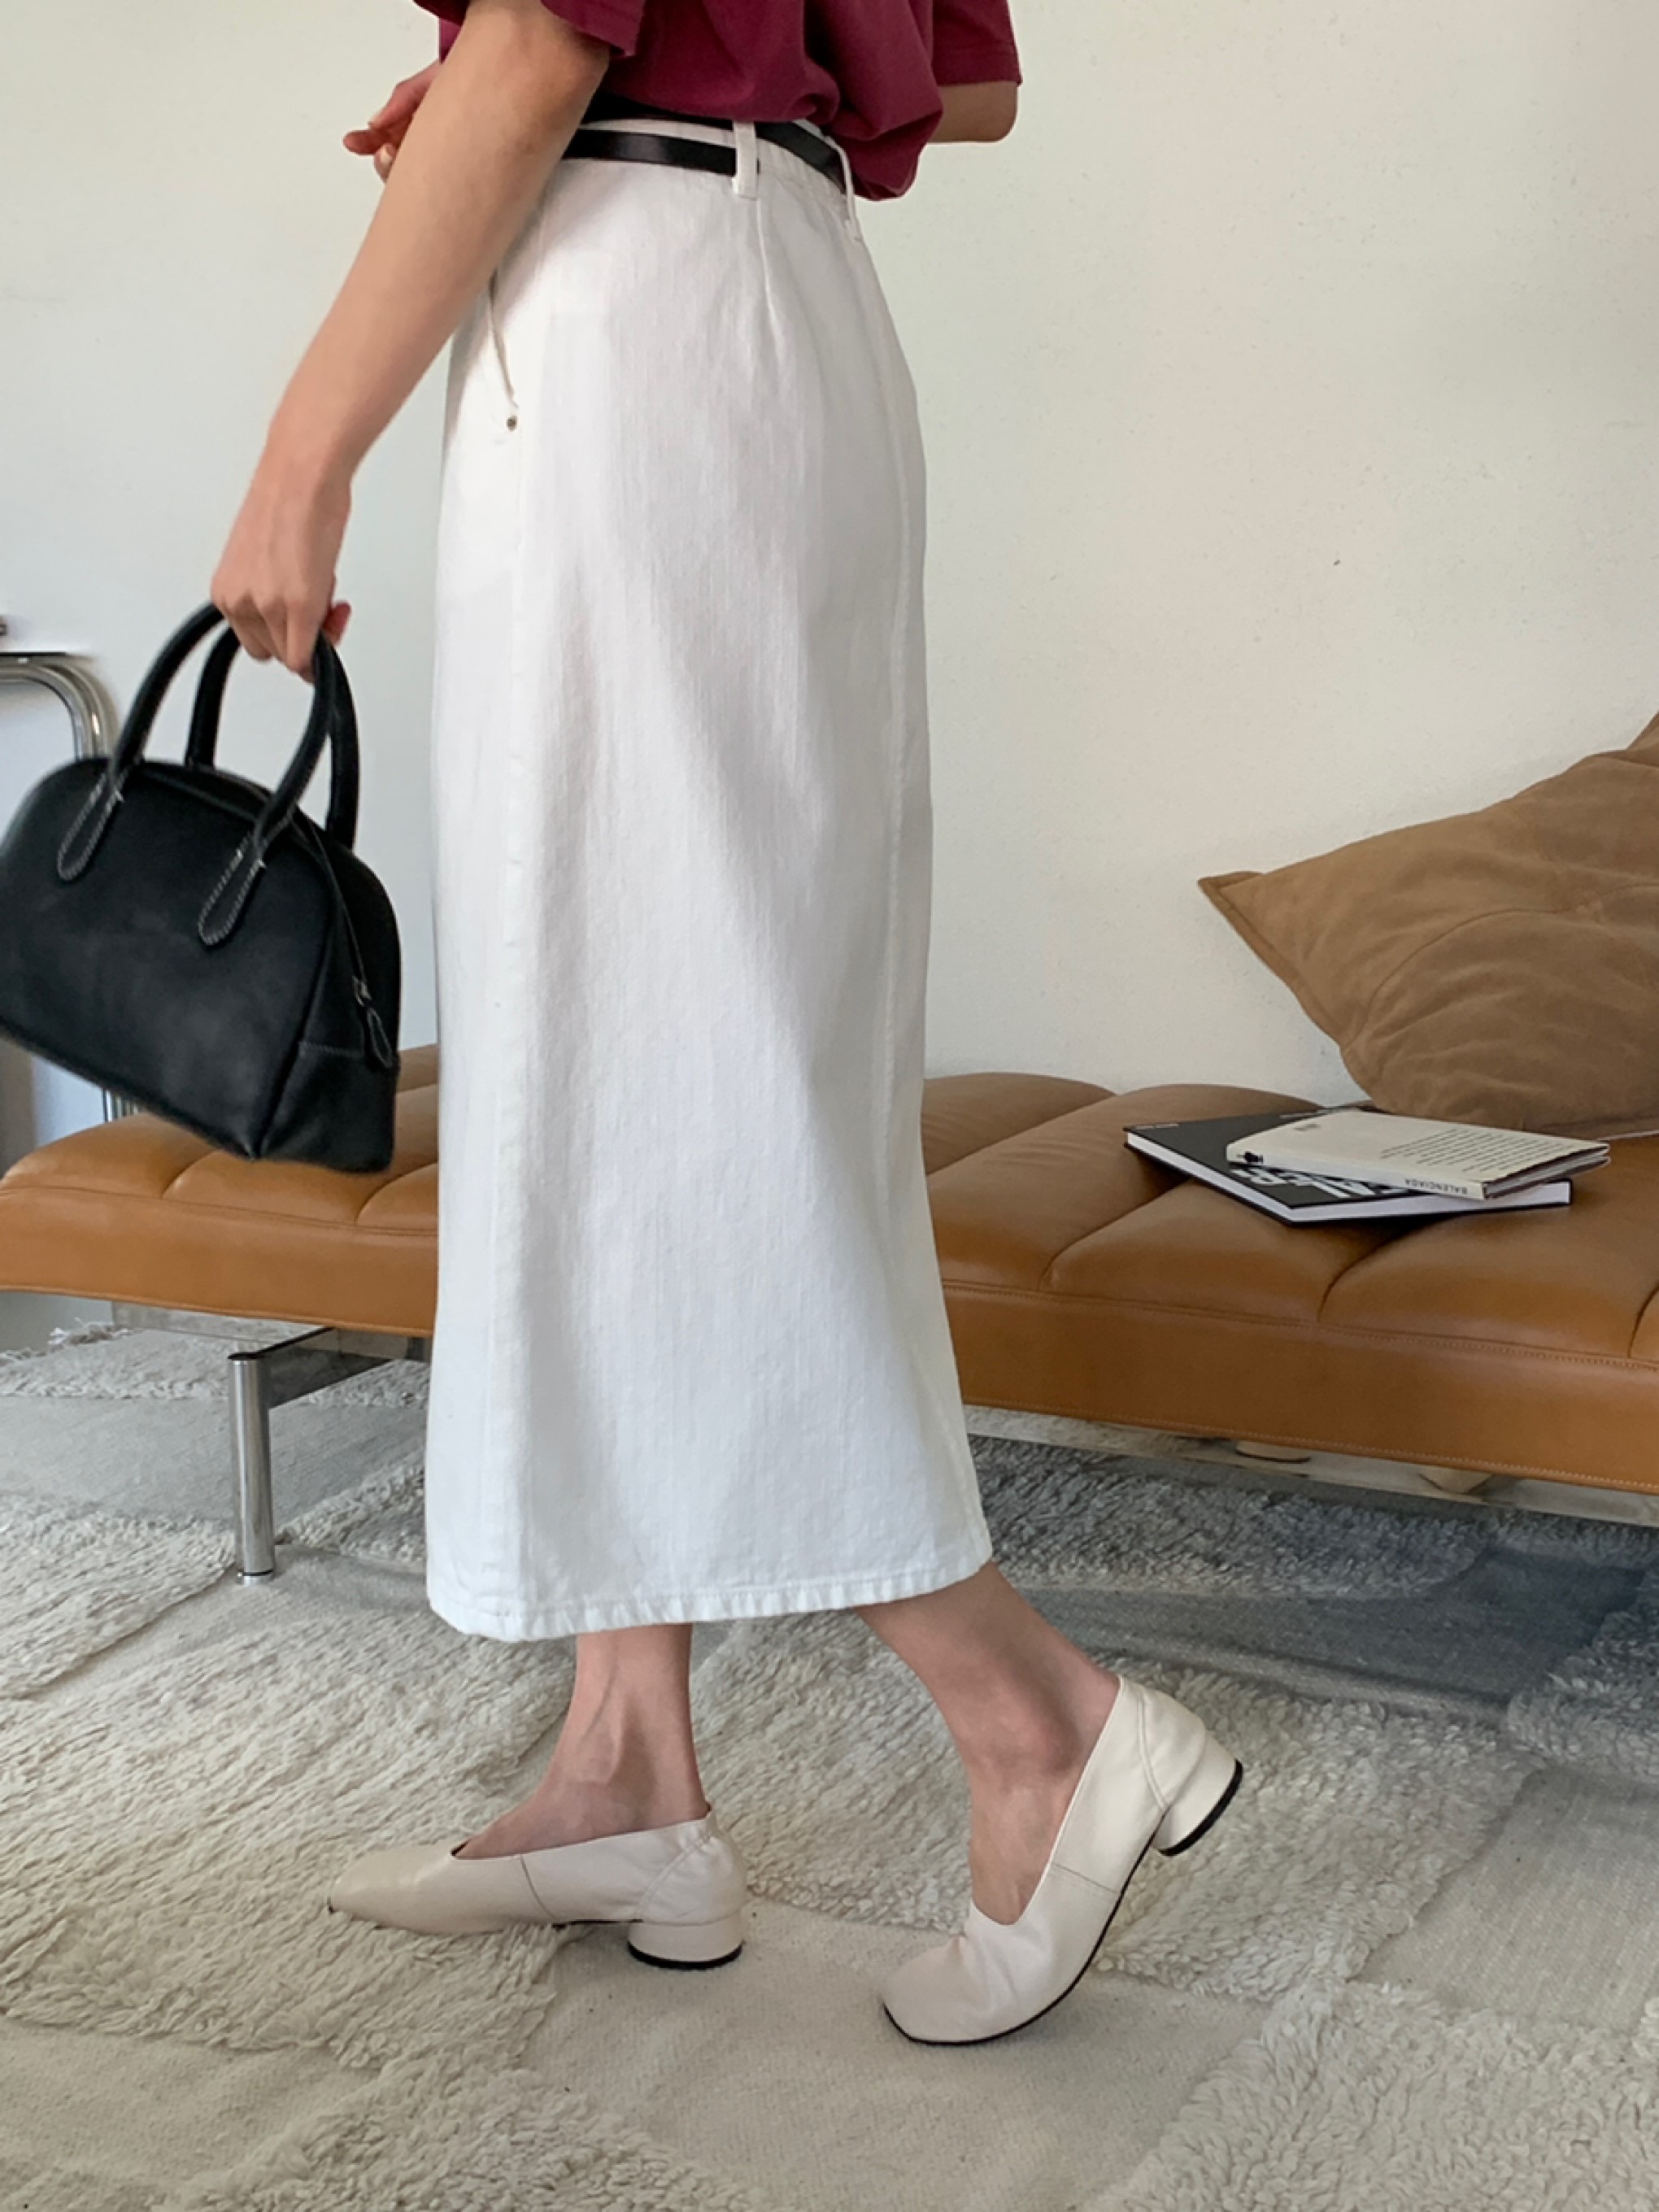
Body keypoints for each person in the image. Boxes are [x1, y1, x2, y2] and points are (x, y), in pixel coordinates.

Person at [211, 0, 1240, 2047]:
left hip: (639, 329)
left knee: (662, 1069)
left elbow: (540, 42)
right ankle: (627, 1774)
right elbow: (968, 82)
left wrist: (298, 460)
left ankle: (1038, 1720)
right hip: (779, 313)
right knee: (665, 1045)